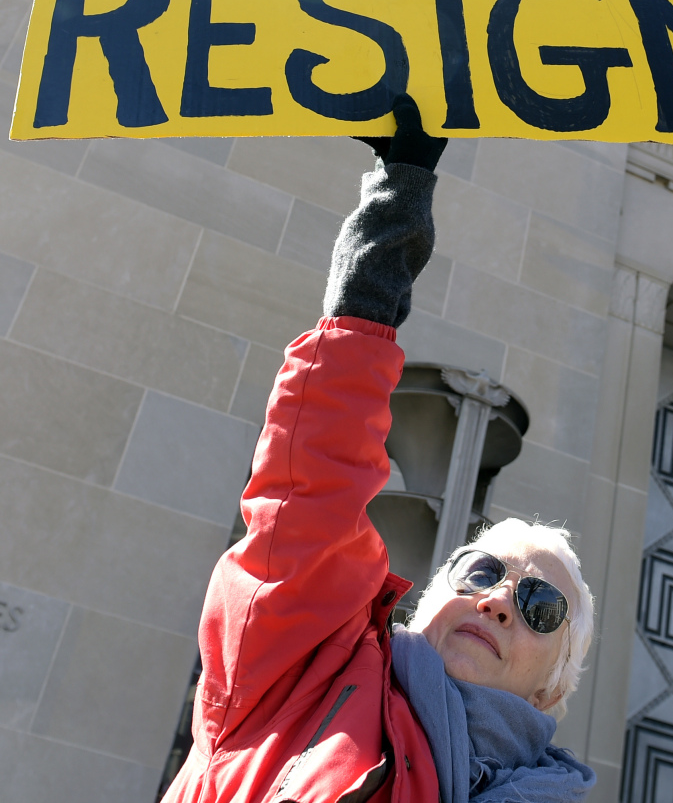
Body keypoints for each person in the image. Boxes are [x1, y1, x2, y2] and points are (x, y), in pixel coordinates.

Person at [161, 96, 596, 803]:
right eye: (480, 571)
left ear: (553, 686)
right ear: (425, 607)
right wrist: (397, 196)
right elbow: (311, 491)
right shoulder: (301, 670)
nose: (498, 601)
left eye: (542, 605)